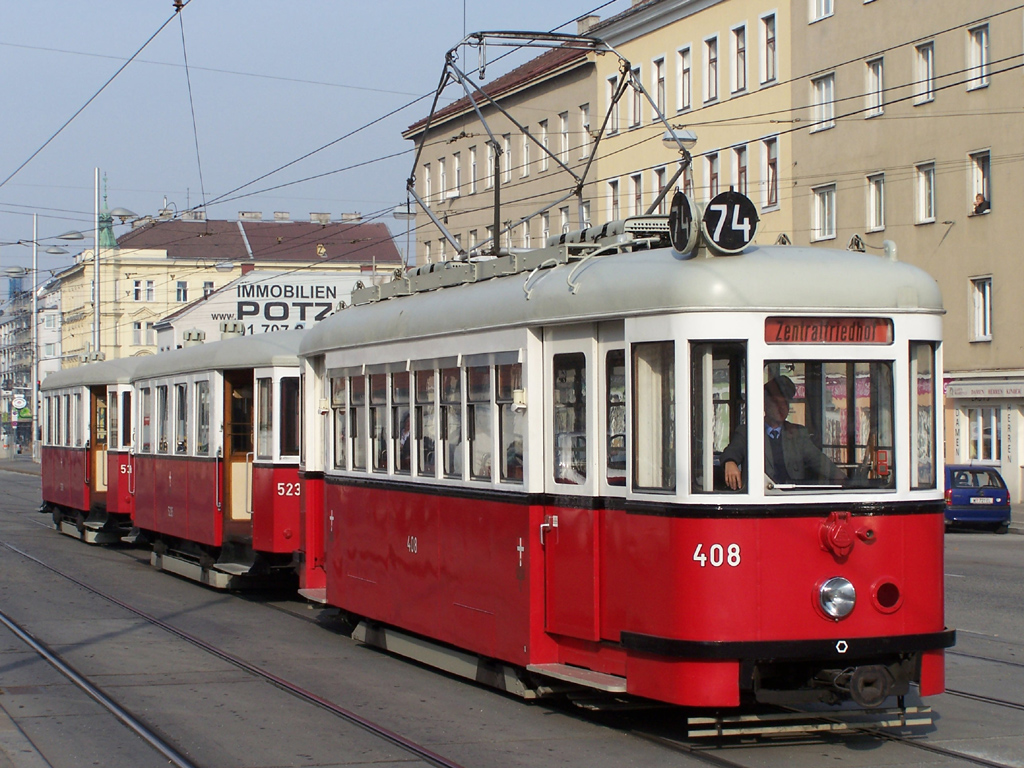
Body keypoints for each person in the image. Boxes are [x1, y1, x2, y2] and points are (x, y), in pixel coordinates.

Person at [720, 375, 846, 490]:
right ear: (765, 405)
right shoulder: (748, 432)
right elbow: (732, 451)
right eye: (776, 403)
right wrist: (730, 462)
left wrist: (844, 480)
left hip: (792, 496)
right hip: (763, 496)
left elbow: (819, 460)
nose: (782, 408)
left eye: (785, 403)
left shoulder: (798, 433)